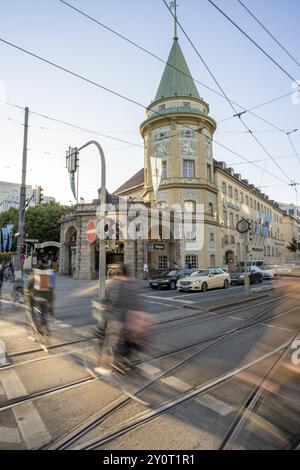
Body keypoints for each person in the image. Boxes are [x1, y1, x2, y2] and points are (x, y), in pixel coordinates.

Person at [94, 265, 152, 376]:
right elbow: (138, 302)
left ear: (119, 274)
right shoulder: (134, 283)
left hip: (120, 319)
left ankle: (106, 368)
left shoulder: (116, 284)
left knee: (109, 342)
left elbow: (111, 302)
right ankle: (129, 359)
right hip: (134, 320)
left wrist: (103, 306)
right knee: (130, 340)